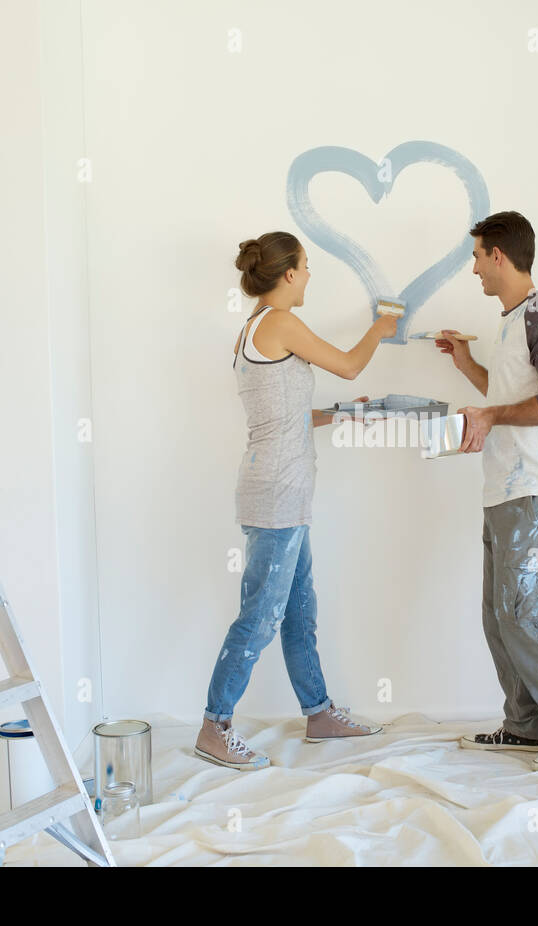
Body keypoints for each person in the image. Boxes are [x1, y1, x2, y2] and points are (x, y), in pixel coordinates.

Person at [195, 231, 395, 771]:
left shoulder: (255, 329)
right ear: (287, 275)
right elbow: (351, 365)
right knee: (261, 615)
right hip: (277, 494)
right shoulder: (280, 322)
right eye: (306, 267)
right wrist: (381, 326)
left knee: (299, 609)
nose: (309, 276)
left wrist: (340, 415)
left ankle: (318, 712)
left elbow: (283, 419)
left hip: (282, 488)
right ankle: (215, 726)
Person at [435, 211, 538, 769]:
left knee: (523, 615)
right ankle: (525, 726)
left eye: (478, 256)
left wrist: (492, 413)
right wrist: (466, 364)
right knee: (498, 615)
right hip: (503, 489)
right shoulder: (510, 322)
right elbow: (505, 396)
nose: (475, 270)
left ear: (500, 255)